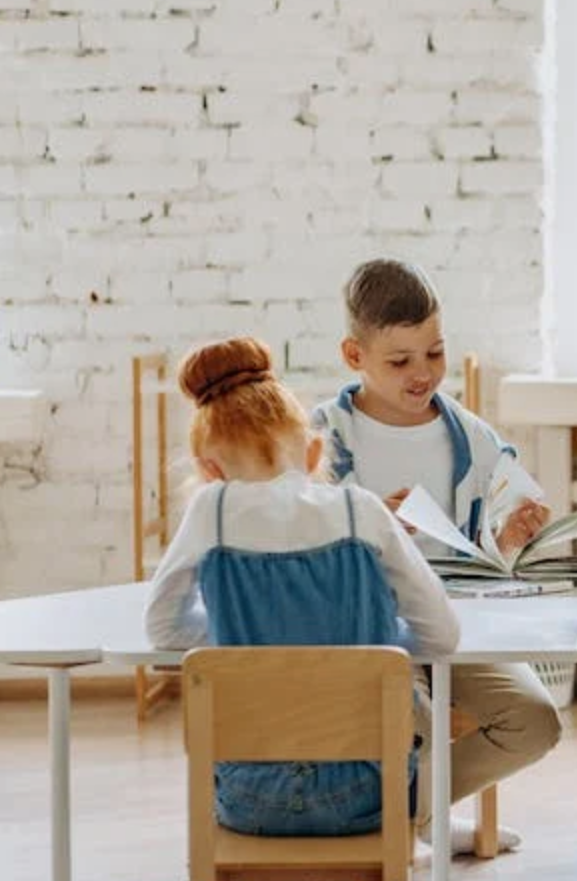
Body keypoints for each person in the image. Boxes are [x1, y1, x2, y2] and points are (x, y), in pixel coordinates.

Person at [144, 337, 457, 843]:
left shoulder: (211, 511)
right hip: (370, 794)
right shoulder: (364, 510)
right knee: (417, 697)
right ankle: (427, 830)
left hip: (247, 800)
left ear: (209, 471)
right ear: (314, 452)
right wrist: (375, 638)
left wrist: (237, 640)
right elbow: (442, 636)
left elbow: (162, 629)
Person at [311, 259, 561, 853]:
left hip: (453, 623)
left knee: (535, 720)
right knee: (412, 718)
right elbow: (295, 541)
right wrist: (366, 517)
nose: (423, 374)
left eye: (435, 353)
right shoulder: (322, 438)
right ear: (355, 356)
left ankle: (407, 817)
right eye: (399, 361)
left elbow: (482, 555)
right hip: (361, 631)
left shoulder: (470, 437)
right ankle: (408, 824)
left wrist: (509, 539)